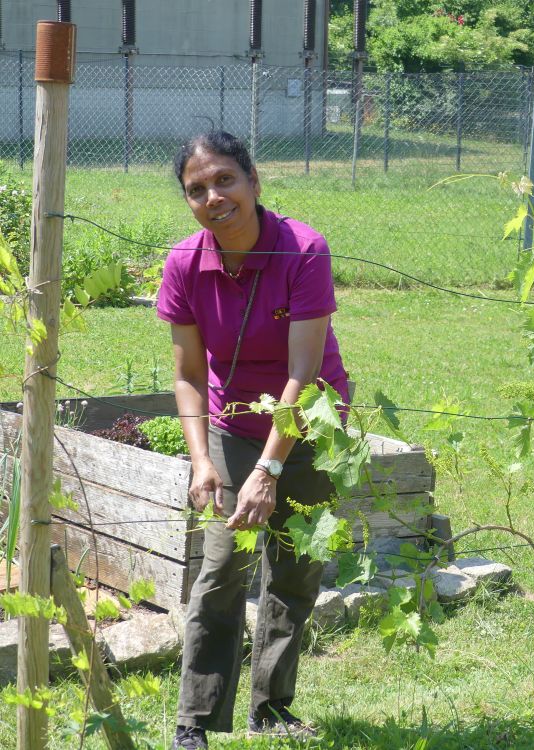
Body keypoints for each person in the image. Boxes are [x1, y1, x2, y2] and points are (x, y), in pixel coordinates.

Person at [156, 131, 351, 749]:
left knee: (296, 567)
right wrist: (201, 462)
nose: (213, 197)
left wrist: (269, 468)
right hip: (234, 422)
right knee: (222, 568)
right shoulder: (185, 262)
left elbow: (305, 371)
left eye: (224, 180)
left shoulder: (302, 250)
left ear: (253, 180)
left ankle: (272, 705)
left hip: (312, 421)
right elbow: (187, 374)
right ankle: (197, 721)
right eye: (197, 189)